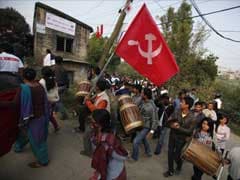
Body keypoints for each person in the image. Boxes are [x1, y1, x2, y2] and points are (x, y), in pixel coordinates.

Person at [14, 68, 49, 168]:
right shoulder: (40, 86)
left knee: (38, 141)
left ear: (23, 77)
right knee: (30, 135)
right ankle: (18, 147)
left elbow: (16, 103)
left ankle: (43, 161)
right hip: (41, 116)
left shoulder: (24, 88)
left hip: (33, 119)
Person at [90, 109, 128, 180]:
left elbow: (122, 156)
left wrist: (109, 149)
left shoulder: (109, 141)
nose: (91, 124)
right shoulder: (95, 134)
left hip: (113, 174)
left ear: (100, 124)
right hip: (102, 170)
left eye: (93, 122)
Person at [164, 96, 196, 177]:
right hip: (172, 136)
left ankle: (179, 165)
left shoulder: (192, 118)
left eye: (182, 102)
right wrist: (171, 124)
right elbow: (168, 121)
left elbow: (189, 131)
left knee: (177, 156)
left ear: (187, 105)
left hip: (182, 139)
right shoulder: (177, 111)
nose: (180, 103)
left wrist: (179, 128)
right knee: (170, 153)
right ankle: (170, 170)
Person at [80, 79, 111, 156]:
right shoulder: (99, 94)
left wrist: (87, 102)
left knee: (86, 136)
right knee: (94, 136)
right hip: (98, 120)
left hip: (100, 121)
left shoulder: (104, 98)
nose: (94, 86)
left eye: (96, 85)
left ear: (98, 87)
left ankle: (89, 152)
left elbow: (96, 110)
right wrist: (89, 99)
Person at [131, 88, 159, 161]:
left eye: (142, 93)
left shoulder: (152, 106)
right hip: (140, 124)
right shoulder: (143, 102)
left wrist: (152, 131)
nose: (141, 94)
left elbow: (155, 119)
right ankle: (149, 152)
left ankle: (134, 157)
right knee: (144, 139)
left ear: (146, 95)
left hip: (146, 127)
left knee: (135, 142)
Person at [39, 67, 60, 132]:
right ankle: (56, 126)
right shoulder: (54, 80)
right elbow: (56, 91)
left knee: (46, 115)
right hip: (53, 100)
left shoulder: (42, 81)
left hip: (47, 101)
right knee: (49, 114)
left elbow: (43, 93)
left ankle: (45, 129)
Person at [53, 56, 69, 120]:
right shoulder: (64, 69)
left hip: (57, 87)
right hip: (64, 86)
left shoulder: (53, 68)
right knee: (59, 100)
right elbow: (67, 79)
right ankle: (55, 111)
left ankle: (64, 114)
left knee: (58, 101)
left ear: (55, 61)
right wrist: (67, 87)